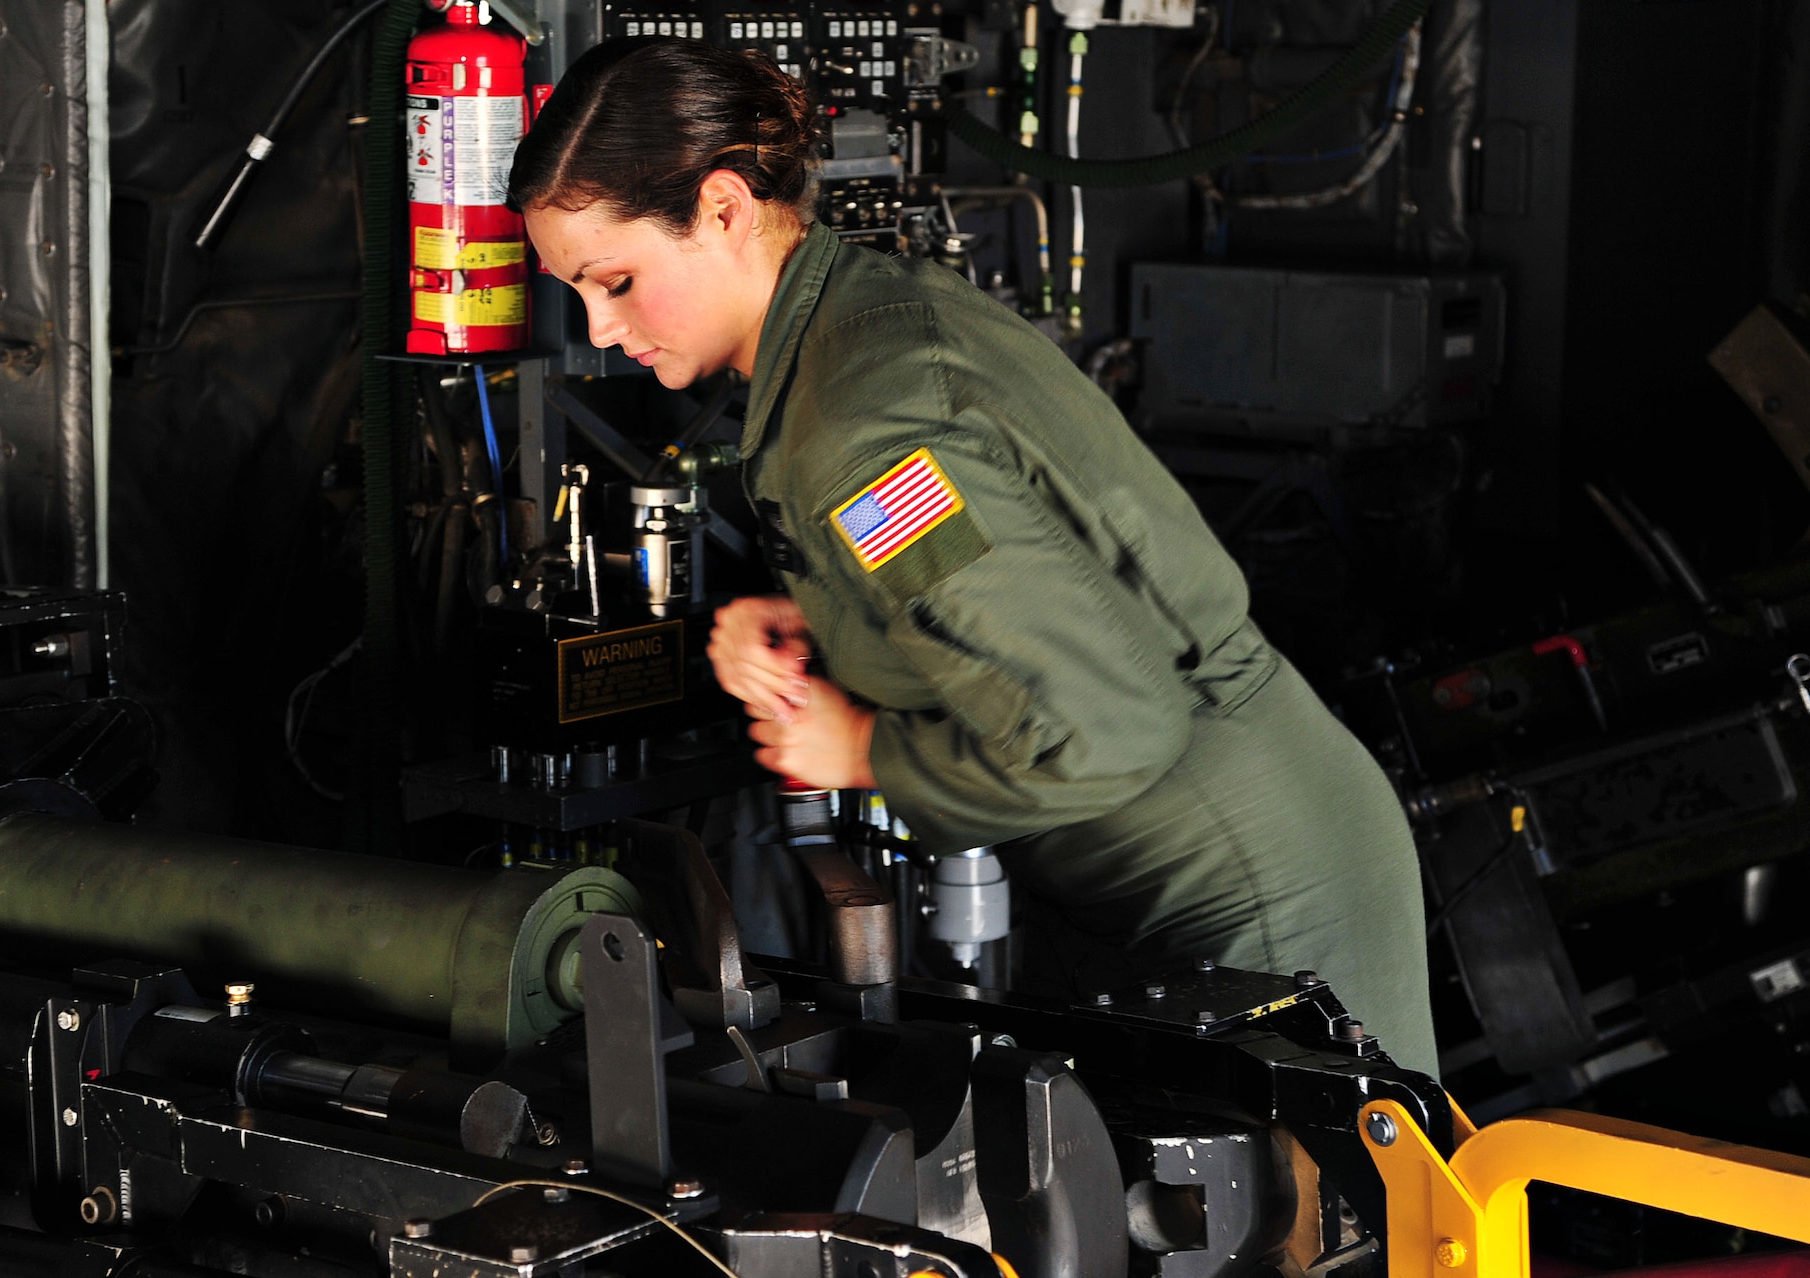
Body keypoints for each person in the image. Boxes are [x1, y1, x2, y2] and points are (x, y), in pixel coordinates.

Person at [508, 37, 1438, 1074]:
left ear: (723, 208)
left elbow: (1102, 726)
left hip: (1252, 905)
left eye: (617, 280)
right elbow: (1030, 572)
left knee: (1332, 1230)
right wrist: (837, 621)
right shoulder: (860, 321)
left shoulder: (862, 429)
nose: (598, 327)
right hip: (1194, 871)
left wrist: (861, 749)